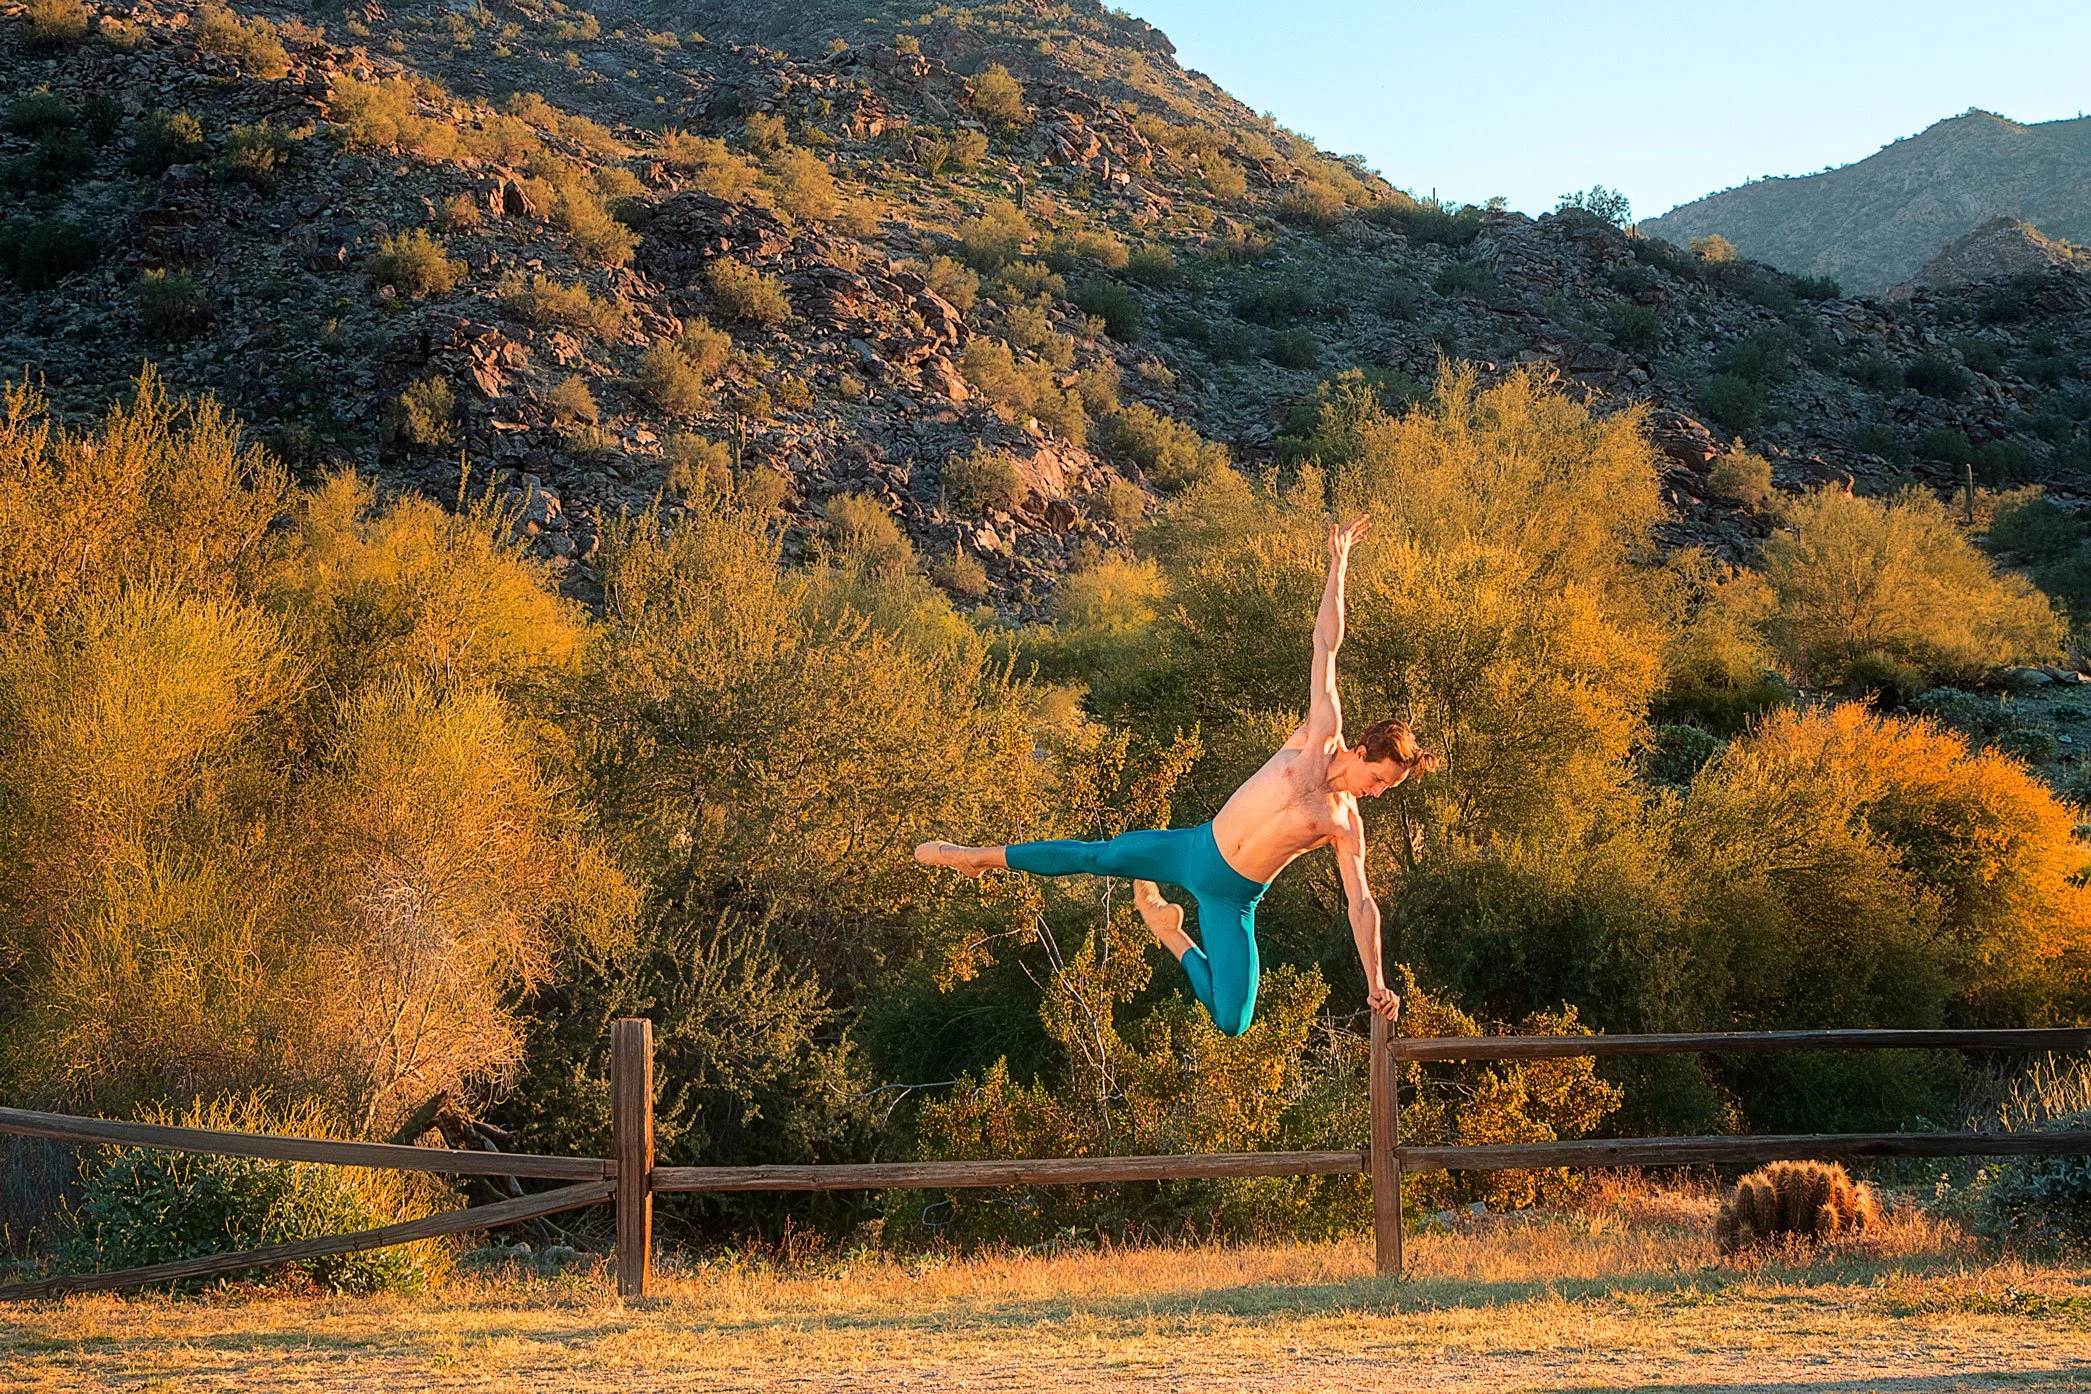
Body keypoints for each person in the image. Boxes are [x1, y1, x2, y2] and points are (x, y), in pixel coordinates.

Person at [916, 516, 1438, 1036]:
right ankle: (973, 857)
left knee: (1233, 1020)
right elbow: (1327, 645)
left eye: (1386, 789)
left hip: (1230, 899)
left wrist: (1377, 977)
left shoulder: (1345, 824)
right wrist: (1338, 564)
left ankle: (1171, 934)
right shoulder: (1319, 730)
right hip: (1194, 849)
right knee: (1098, 856)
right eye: (1379, 779)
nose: (1376, 792)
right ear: (1363, 750)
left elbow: (1362, 903)